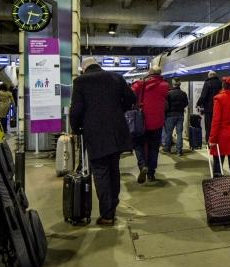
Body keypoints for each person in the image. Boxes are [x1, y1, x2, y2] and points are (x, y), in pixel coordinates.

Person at [70, 57, 136, 226]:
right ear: (98, 65)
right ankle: (112, 204)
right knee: (114, 169)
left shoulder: (80, 81)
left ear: (84, 68)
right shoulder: (115, 77)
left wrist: (76, 129)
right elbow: (131, 96)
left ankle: (107, 215)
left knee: (101, 172)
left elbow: (76, 110)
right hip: (116, 133)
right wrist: (119, 111)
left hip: (95, 133)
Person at [131, 66, 169, 183]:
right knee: (153, 148)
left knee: (138, 145)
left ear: (149, 73)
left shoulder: (139, 84)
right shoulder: (165, 86)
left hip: (141, 121)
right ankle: (151, 173)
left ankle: (143, 166)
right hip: (157, 122)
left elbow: (130, 95)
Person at [162, 77, 189, 156]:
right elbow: (186, 103)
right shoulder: (183, 93)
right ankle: (179, 151)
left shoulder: (169, 93)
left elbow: (166, 105)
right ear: (179, 84)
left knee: (168, 133)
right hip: (180, 115)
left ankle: (167, 149)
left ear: (173, 84)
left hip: (170, 115)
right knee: (179, 133)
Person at [196, 71, 222, 141]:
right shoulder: (221, 83)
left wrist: (198, 103)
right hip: (219, 108)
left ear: (209, 76)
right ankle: (217, 141)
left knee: (208, 126)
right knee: (218, 125)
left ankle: (209, 141)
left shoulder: (207, 83)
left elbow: (203, 96)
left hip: (209, 109)